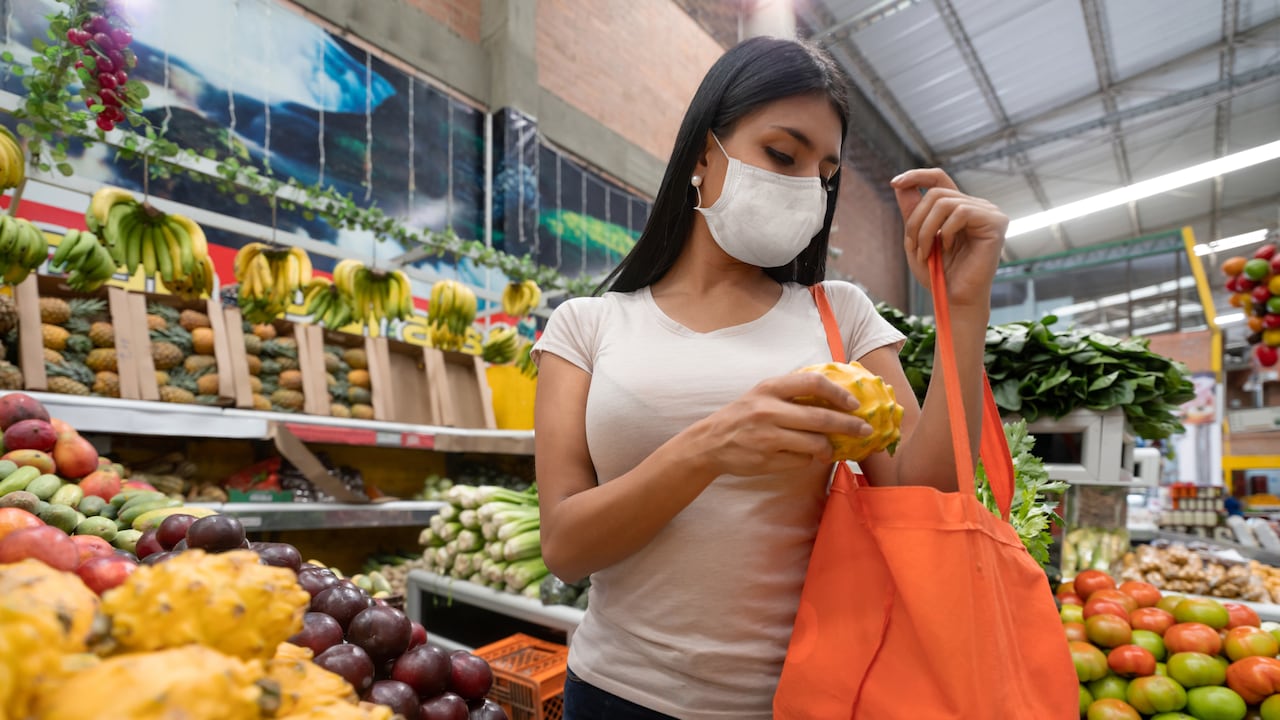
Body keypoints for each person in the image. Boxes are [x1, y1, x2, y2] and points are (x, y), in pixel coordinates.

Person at [531, 36, 1008, 720]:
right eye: (783, 155)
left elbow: (928, 498)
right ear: (703, 153)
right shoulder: (586, 326)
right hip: (614, 693)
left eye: (824, 173)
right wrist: (710, 447)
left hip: (799, 701)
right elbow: (565, 549)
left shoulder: (838, 315)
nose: (805, 186)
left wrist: (963, 310)